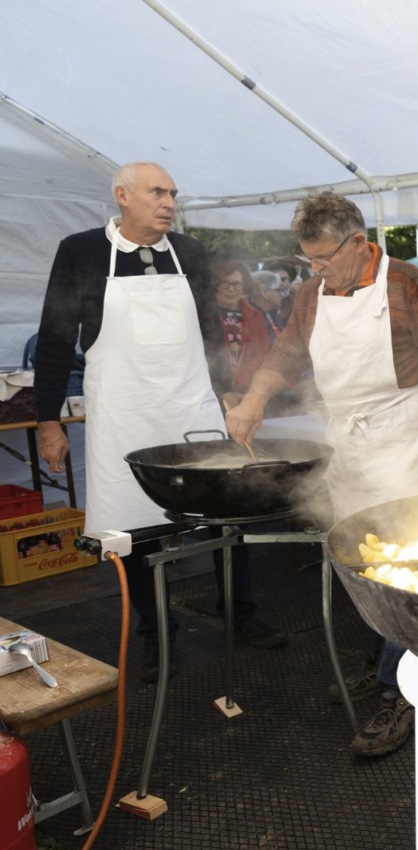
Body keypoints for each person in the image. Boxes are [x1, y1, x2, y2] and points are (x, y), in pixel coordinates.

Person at [225, 191, 418, 758]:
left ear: (359, 243)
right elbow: (286, 356)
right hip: (349, 443)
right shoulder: (311, 294)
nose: (316, 269)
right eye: (308, 259)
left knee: (404, 569)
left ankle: (403, 693)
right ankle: (383, 659)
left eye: (324, 257)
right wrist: (255, 399)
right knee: (362, 562)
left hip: (406, 437)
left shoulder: (404, 283)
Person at [33, 162, 286, 684]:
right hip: (123, 413)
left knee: (225, 510)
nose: (169, 202)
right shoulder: (80, 251)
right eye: (157, 192)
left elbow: (210, 329)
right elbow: (55, 338)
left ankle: (239, 613)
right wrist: (47, 421)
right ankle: (155, 632)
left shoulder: (189, 251)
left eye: (172, 193)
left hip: (190, 406)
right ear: (123, 196)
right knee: (133, 527)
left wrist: (228, 392)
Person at [212, 259, 273, 401]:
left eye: (236, 284)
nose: (231, 289)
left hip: (250, 390)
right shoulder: (205, 316)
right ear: (215, 285)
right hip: (215, 393)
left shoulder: (255, 315)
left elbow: (264, 353)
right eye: (225, 283)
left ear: (244, 285)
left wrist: (253, 389)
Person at [247, 270, 287, 342]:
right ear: (264, 293)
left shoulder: (274, 314)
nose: (281, 294)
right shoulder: (250, 321)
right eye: (278, 290)